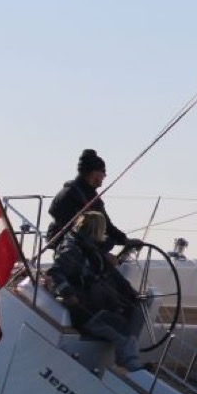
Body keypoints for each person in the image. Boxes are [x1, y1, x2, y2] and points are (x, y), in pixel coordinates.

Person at [47, 211, 146, 372]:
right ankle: (133, 369)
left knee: (127, 319)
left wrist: (131, 294)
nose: (104, 233)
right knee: (122, 332)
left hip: (93, 307)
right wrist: (69, 294)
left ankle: (129, 367)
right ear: (97, 229)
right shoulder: (72, 249)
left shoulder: (89, 248)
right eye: (103, 229)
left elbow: (111, 274)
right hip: (84, 311)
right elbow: (55, 272)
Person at [47, 149, 140, 255]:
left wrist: (125, 240)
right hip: (71, 250)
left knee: (109, 243)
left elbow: (107, 226)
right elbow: (73, 232)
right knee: (107, 246)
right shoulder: (69, 195)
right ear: (94, 173)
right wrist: (103, 254)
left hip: (86, 247)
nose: (104, 176)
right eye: (103, 172)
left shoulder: (91, 196)